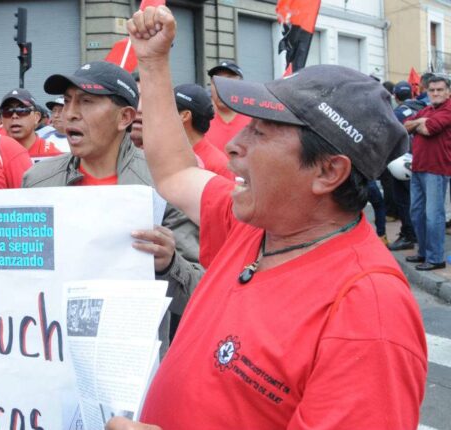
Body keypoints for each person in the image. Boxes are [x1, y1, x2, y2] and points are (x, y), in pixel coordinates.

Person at [107, 6, 427, 429]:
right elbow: (175, 171)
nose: (235, 144)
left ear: (329, 171)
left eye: (261, 130)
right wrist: (152, 62)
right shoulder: (257, 224)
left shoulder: (367, 309)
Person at [22, 61, 202, 354]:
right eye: (67, 101)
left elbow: (201, 292)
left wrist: (169, 264)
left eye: (87, 102)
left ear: (124, 117)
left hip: (130, 363)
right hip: (52, 355)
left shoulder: (165, 183)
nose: (70, 113)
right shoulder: (38, 181)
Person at [403, 75, 451, 270]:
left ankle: (435, 257)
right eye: (432, 90)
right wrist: (419, 121)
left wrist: (420, 122)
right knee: (417, 213)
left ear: (448, 92)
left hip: (436, 169)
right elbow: (405, 125)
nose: (435, 93)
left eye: (440, 90)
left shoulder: (448, 109)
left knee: (433, 216)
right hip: (419, 167)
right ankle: (423, 252)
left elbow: (429, 129)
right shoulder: (428, 109)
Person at [387, 81, 420, 251]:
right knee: (418, 200)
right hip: (420, 159)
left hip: (402, 162)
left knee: (404, 201)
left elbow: (390, 134)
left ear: (395, 96)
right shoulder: (422, 107)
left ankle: (409, 234)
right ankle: (418, 233)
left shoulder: (398, 113)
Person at [203, 60, 251, 152]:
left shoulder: (254, 121)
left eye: (228, 81)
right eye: (216, 82)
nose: (221, 87)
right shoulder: (200, 120)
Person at [0, 88, 61, 158]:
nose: (14, 116)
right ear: (2, 119)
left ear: (36, 117)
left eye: (22, 110)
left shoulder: (51, 155)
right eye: (8, 111)